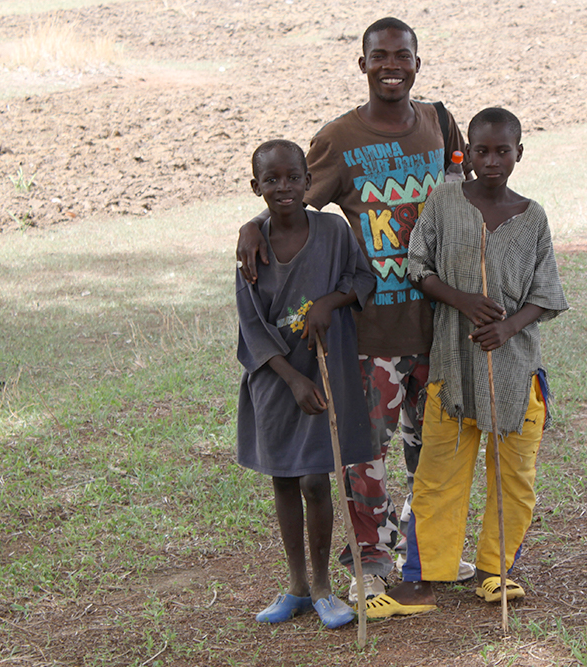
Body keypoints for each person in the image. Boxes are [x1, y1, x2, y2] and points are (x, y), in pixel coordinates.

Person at [235, 17, 472, 602]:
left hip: (441, 324)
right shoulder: (340, 138)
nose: (392, 65)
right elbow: (291, 205)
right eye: (380, 56)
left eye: (403, 55)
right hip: (372, 331)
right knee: (367, 454)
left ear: (418, 62)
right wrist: (251, 225)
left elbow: (466, 199)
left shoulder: (441, 125)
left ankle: (429, 550)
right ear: (361, 64)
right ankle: (370, 561)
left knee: (436, 448)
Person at [365, 108, 568, 618]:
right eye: (482, 151)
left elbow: (546, 293)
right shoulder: (444, 202)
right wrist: (460, 299)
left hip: (515, 372)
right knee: (438, 477)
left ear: (519, 153)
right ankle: (422, 581)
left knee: (514, 478)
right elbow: (418, 266)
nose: (492, 160)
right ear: (466, 153)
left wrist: (509, 326)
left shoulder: (532, 216)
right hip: (453, 370)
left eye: (503, 151)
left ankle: (495, 572)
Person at [235, 139, 376, 629]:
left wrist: (330, 304)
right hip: (277, 380)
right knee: (285, 478)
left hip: (324, 373)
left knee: (317, 479)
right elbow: (251, 326)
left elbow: (364, 279)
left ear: (308, 181)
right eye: (270, 180)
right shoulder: (251, 249)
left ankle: (322, 586)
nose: (283, 187)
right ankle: (295, 585)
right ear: (256, 187)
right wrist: (291, 378)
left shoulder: (334, 231)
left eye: (292, 177)